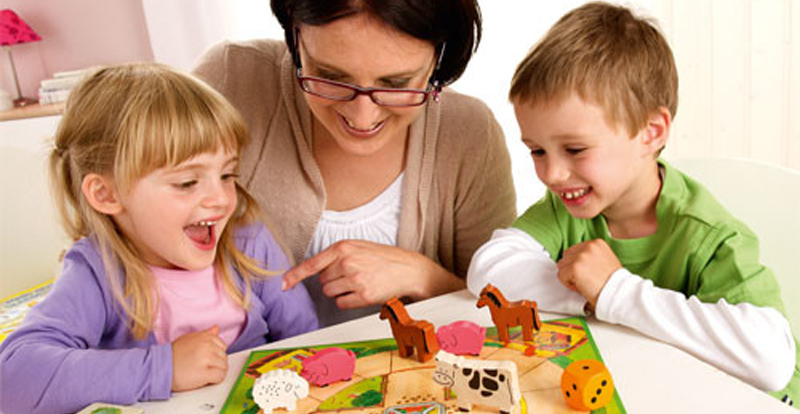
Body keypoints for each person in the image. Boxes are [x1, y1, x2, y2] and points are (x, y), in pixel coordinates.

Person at [467, 2, 798, 404]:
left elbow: (771, 360)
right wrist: (590, 296)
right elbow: (489, 268)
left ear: (650, 132)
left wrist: (615, 291)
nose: (552, 174)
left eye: (575, 149)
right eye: (537, 151)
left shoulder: (708, 235)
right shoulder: (566, 207)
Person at [0, 63, 319, 414]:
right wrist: (164, 368)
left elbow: (308, 341)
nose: (221, 198)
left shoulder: (250, 244)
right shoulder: (98, 271)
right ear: (106, 195)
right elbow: (13, 378)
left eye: (228, 175)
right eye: (187, 182)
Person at [192, 0, 516, 326]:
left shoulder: (469, 135)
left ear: (438, 57)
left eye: (396, 83)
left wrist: (423, 277)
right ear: (295, 32)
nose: (362, 118)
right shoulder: (231, 81)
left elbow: (506, 315)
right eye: (330, 76)